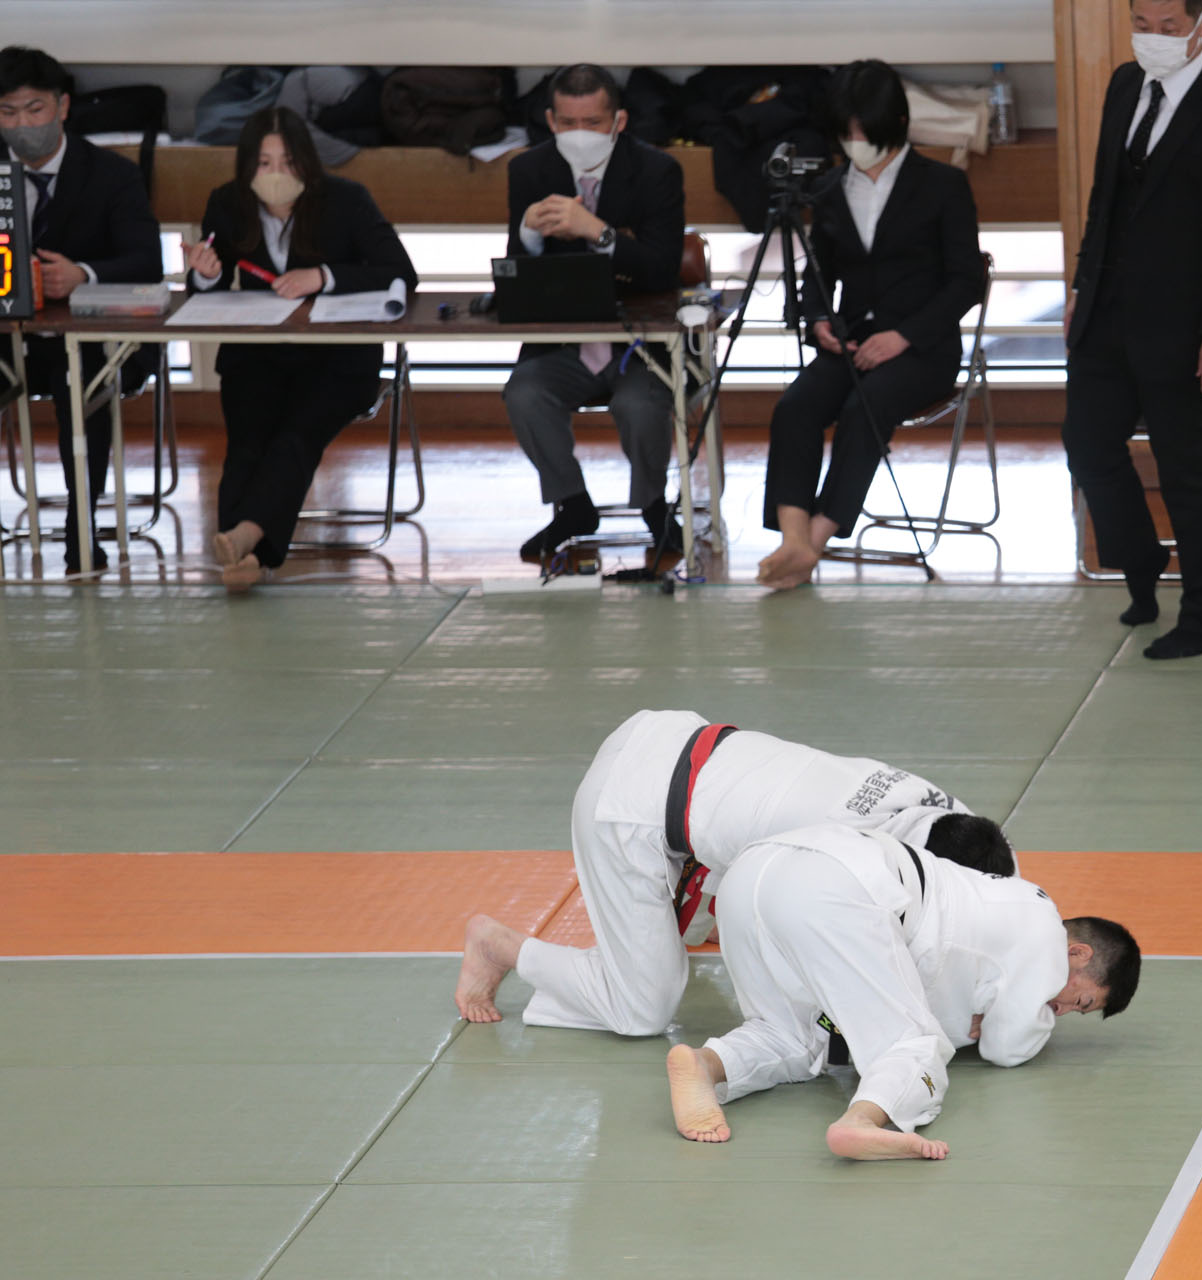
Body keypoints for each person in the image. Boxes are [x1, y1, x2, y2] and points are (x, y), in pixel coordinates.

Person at [453, 707, 1015, 1034]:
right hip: (630, 807)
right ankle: (500, 947)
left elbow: (999, 897)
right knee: (643, 1007)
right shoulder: (848, 856)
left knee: (713, 916)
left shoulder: (949, 815)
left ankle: (688, 905)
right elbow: (837, 967)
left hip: (679, 740)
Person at [662, 823, 1141, 1159]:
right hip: (835, 886)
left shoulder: (1002, 907)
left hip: (751, 873)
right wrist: (989, 1023)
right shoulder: (1046, 934)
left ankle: (705, 1065)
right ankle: (861, 1121)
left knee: (791, 1033)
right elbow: (1008, 1047)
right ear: (1077, 953)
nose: (1060, 1010)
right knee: (917, 1044)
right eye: (1080, 1000)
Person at [1065, 0, 1202, 660]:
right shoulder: (1124, 84)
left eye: (1169, 28)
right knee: (1086, 444)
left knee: (1185, 467)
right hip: (1107, 310)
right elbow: (1104, 197)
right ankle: (1140, 560)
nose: (1152, 39)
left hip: (1184, 326)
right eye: (1142, 26)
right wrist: (1081, 285)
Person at [756, 60, 985, 591]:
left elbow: (965, 283)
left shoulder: (944, 185)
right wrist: (819, 319)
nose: (856, 142)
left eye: (866, 131)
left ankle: (813, 543)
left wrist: (903, 336)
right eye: (848, 132)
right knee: (795, 407)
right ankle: (791, 537)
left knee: (866, 407)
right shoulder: (830, 188)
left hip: (923, 348)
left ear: (897, 123)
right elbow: (819, 272)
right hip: (852, 341)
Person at [180, 108, 417, 590]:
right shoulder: (228, 202)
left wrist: (324, 277)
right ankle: (247, 559)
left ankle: (245, 537)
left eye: (287, 162)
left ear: (307, 162)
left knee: (295, 436)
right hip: (260, 354)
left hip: (338, 360)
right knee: (247, 443)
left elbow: (400, 272)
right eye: (264, 163)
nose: (276, 174)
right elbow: (211, 282)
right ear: (247, 167)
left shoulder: (346, 200)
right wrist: (205, 274)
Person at [502, 64, 688, 564]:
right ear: (550, 120)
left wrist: (598, 232)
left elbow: (661, 269)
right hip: (565, 343)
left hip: (638, 344)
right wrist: (529, 236)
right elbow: (516, 281)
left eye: (592, 123)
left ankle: (654, 505)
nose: (579, 134)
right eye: (567, 123)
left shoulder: (657, 171)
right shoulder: (529, 171)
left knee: (640, 406)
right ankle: (572, 504)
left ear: (618, 121)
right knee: (524, 393)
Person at [0, 46, 162, 575]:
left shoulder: (111, 174)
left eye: (34, 109)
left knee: (81, 384)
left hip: (97, 340)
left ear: (63, 107)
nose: (22, 125)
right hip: (11, 339)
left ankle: (82, 528)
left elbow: (146, 260)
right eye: (7, 113)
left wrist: (83, 274)